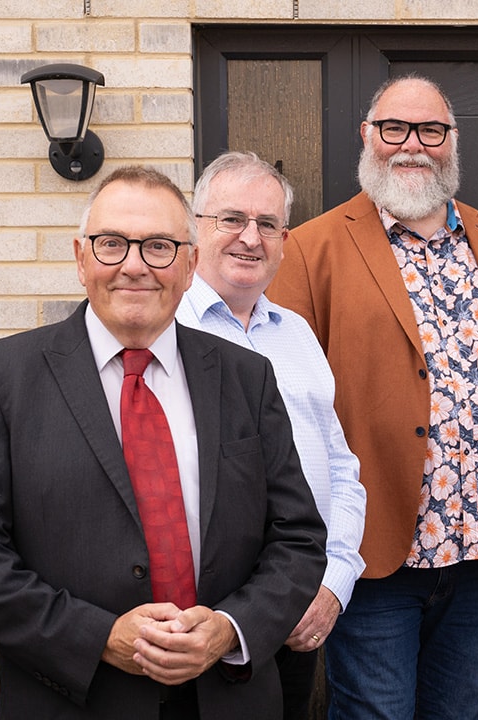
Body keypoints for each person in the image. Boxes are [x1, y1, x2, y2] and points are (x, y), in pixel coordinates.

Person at [0, 165, 327, 719]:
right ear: (81, 257)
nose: (134, 266)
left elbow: (298, 537)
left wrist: (230, 629)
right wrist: (98, 637)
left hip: (226, 697)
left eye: (159, 246)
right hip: (75, 699)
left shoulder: (247, 377)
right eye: (112, 244)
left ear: (190, 264)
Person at [268, 74, 478, 719]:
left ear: (451, 140)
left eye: (430, 131)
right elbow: (285, 411)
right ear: (366, 136)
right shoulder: (311, 249)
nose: (412, 145)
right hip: (372, 554)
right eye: (394, 129)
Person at [176, 150, 367, 720]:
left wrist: (332, 584)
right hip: (200, 618)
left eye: (267, 224)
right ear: (195, 229)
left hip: (297, 610)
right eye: (232, 219)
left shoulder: (297, 335)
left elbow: (341, 469)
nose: (250, 237)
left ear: (284, 240)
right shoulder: (166, 332)